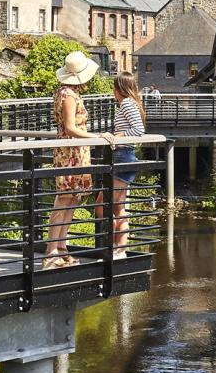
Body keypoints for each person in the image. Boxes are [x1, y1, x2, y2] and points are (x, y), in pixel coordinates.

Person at [44, 50, 108, 269]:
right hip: (70, 152)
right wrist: (97, 136)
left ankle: (61, 247)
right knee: (64, 199)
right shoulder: (68, 95)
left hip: (75, 151)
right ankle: (51, 251)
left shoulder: (65, 92)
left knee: (72, 199)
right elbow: (70, 128)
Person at [110, 72, 147, 257]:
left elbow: (139, 130)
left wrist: (119, 135)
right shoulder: (130, 103)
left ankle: (113, 248)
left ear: (119, 88)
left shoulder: (126, 103)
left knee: (104, 204)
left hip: (123, 156)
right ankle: (119, 249)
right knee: (118, 206)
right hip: (123, 155)